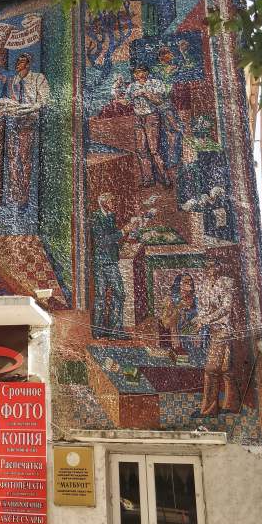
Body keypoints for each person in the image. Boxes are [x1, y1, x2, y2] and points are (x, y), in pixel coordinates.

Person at [112, 64, 181, 188]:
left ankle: (165, 179)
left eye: (143, 71)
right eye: (137, 72)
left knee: (154, 150)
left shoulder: (155, 83)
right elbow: (126, 102)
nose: (140, 74)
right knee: (141, 150)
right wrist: (116, 90)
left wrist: (145, 93)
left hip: (151, 118)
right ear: (134, 75)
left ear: (147, 72)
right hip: (138, 119)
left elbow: (160, 101)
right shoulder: (132, 87)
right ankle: (148, 179)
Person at [0, 53, 50, 208]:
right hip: (13, 122)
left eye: (21, 62)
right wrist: (5, 105)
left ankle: (24, 196)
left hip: (28, 122)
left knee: (24, 159)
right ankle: (14, 193)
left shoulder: (38, 78)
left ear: (28, 64)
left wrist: (29, 108)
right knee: (12, 158)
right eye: (17, 62)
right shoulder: (12, 81)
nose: (18, 64)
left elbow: (43, 101)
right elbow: (5, 100)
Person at [90, 192, 141, 340]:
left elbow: (113, 239)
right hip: (103, 262)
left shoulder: (111, 216)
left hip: (111, 259)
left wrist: (124, 238)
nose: (114, 204)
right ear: (104, 203)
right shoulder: (95, 217)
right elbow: (102, 241)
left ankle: (112, 330)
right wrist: (123, 231)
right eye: (112, 201)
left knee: (112, 295)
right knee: (108, 295)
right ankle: (101, 331)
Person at [193, 261, 240, 418]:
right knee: (226, 369)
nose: (210, 269)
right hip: (213, 331)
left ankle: (208, 410)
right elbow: (203, 308)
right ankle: (231, 404)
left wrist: (205, 320)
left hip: (224, 330)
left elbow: (225, 308)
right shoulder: (205, 285)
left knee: (211, 369)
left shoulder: (226, 283)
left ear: (219, 267)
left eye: (213, 266)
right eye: (207, 266)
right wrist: (198, 320)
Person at [158, 273, 201, 364]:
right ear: (178, 284)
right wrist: (179, 307)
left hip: (194, 336)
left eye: (191, 282)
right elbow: (166, 323)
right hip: (175, 337)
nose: (189, 284)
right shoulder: (170, 300)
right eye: (186, 282)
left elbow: (201, 317)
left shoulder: (197, 300)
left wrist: (196, 331)